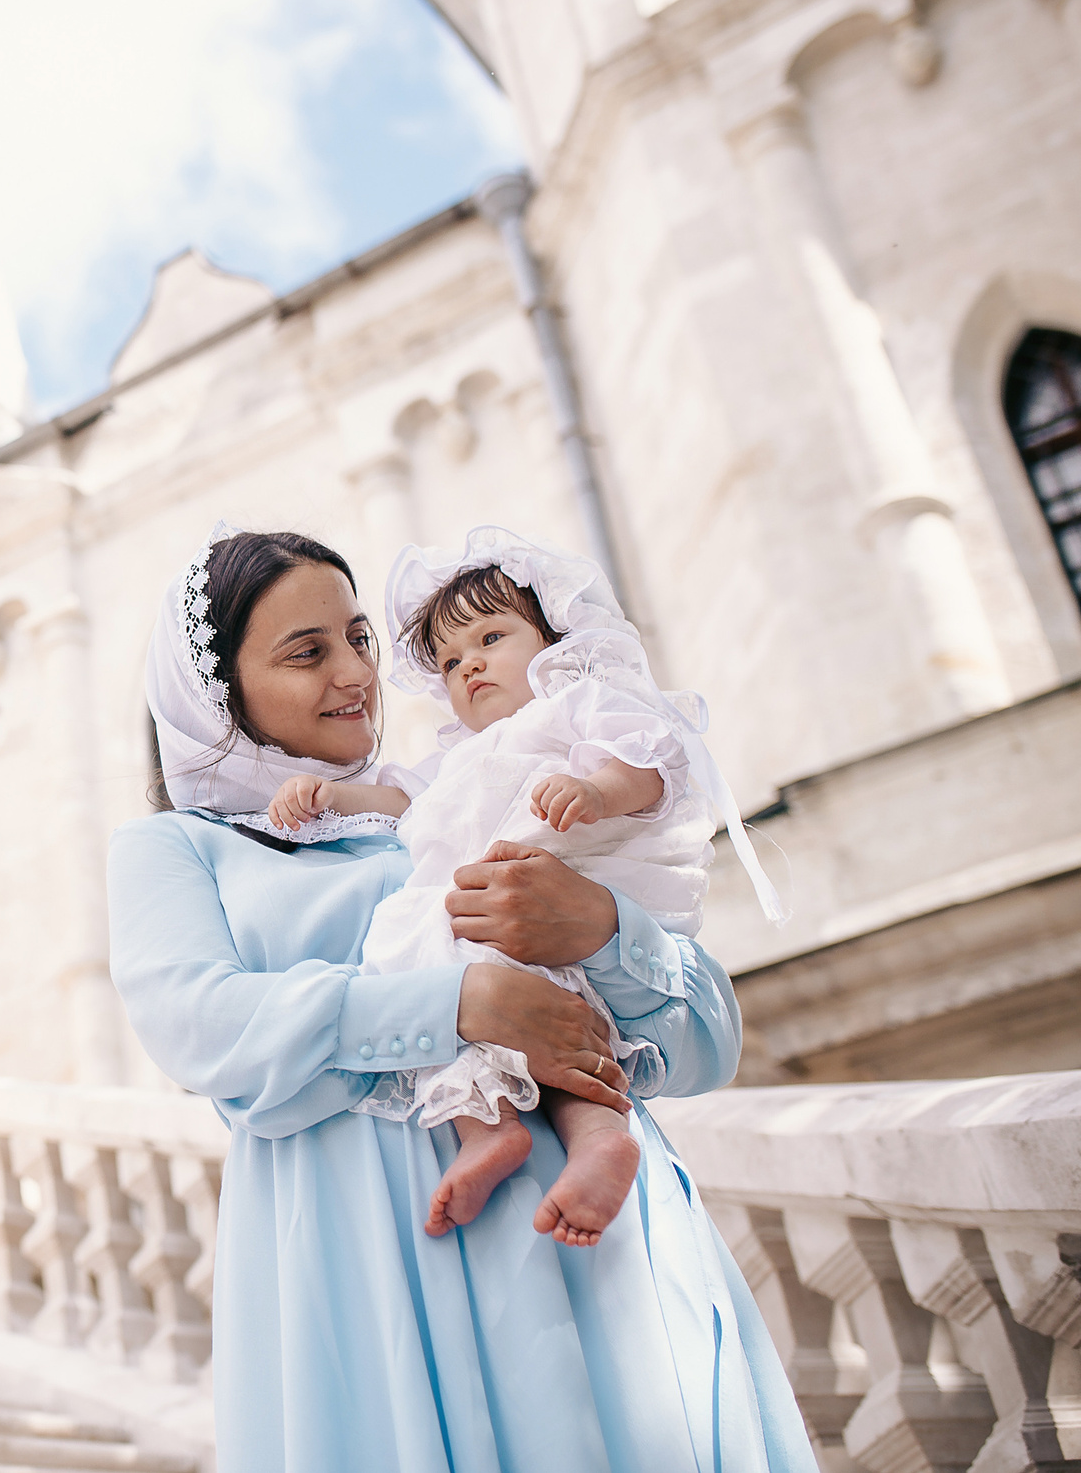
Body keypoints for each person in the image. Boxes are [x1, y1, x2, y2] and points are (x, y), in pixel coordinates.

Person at [111, 525, 814, 1472]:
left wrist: (600, 928)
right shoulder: (180, 848)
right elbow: (203, 1027)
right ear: (219, 692)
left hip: (596, 1242)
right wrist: (460, 1002)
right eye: (307, 652)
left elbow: (708, 1042)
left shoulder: (469, 793)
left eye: (359, 638)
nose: (355, 673)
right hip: (371, 1256)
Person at [268, 527, 776, 1249]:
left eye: (490, 638)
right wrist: (329, 796)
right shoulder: (461, 757)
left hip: (560, 902)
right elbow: (401, 802)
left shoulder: (575, 704)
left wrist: (596, 790)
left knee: (562, 1034)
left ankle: (600, 1137)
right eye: (450, 661)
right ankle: (489, 1130)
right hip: (487, 928)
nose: (469, 665)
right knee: (411, 957)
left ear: (552, 641)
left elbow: (651, 760)